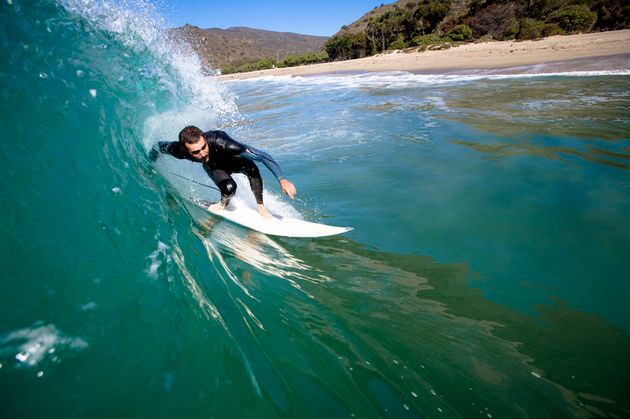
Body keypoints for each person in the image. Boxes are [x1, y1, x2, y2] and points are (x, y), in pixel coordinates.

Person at [150, 126, 296, 219]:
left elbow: (263, 156)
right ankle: (222, 204)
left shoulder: (224, 143)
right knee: (229, 189)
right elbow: (158, 146)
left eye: (203, 147)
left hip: (236, 161)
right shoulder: (178, 150)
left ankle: (261, 207)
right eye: (196, 152)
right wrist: (149, 162)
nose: (202, 153)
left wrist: (282, 179)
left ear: (205, 139)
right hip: (215, 166)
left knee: (252, 169)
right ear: (185, 149)